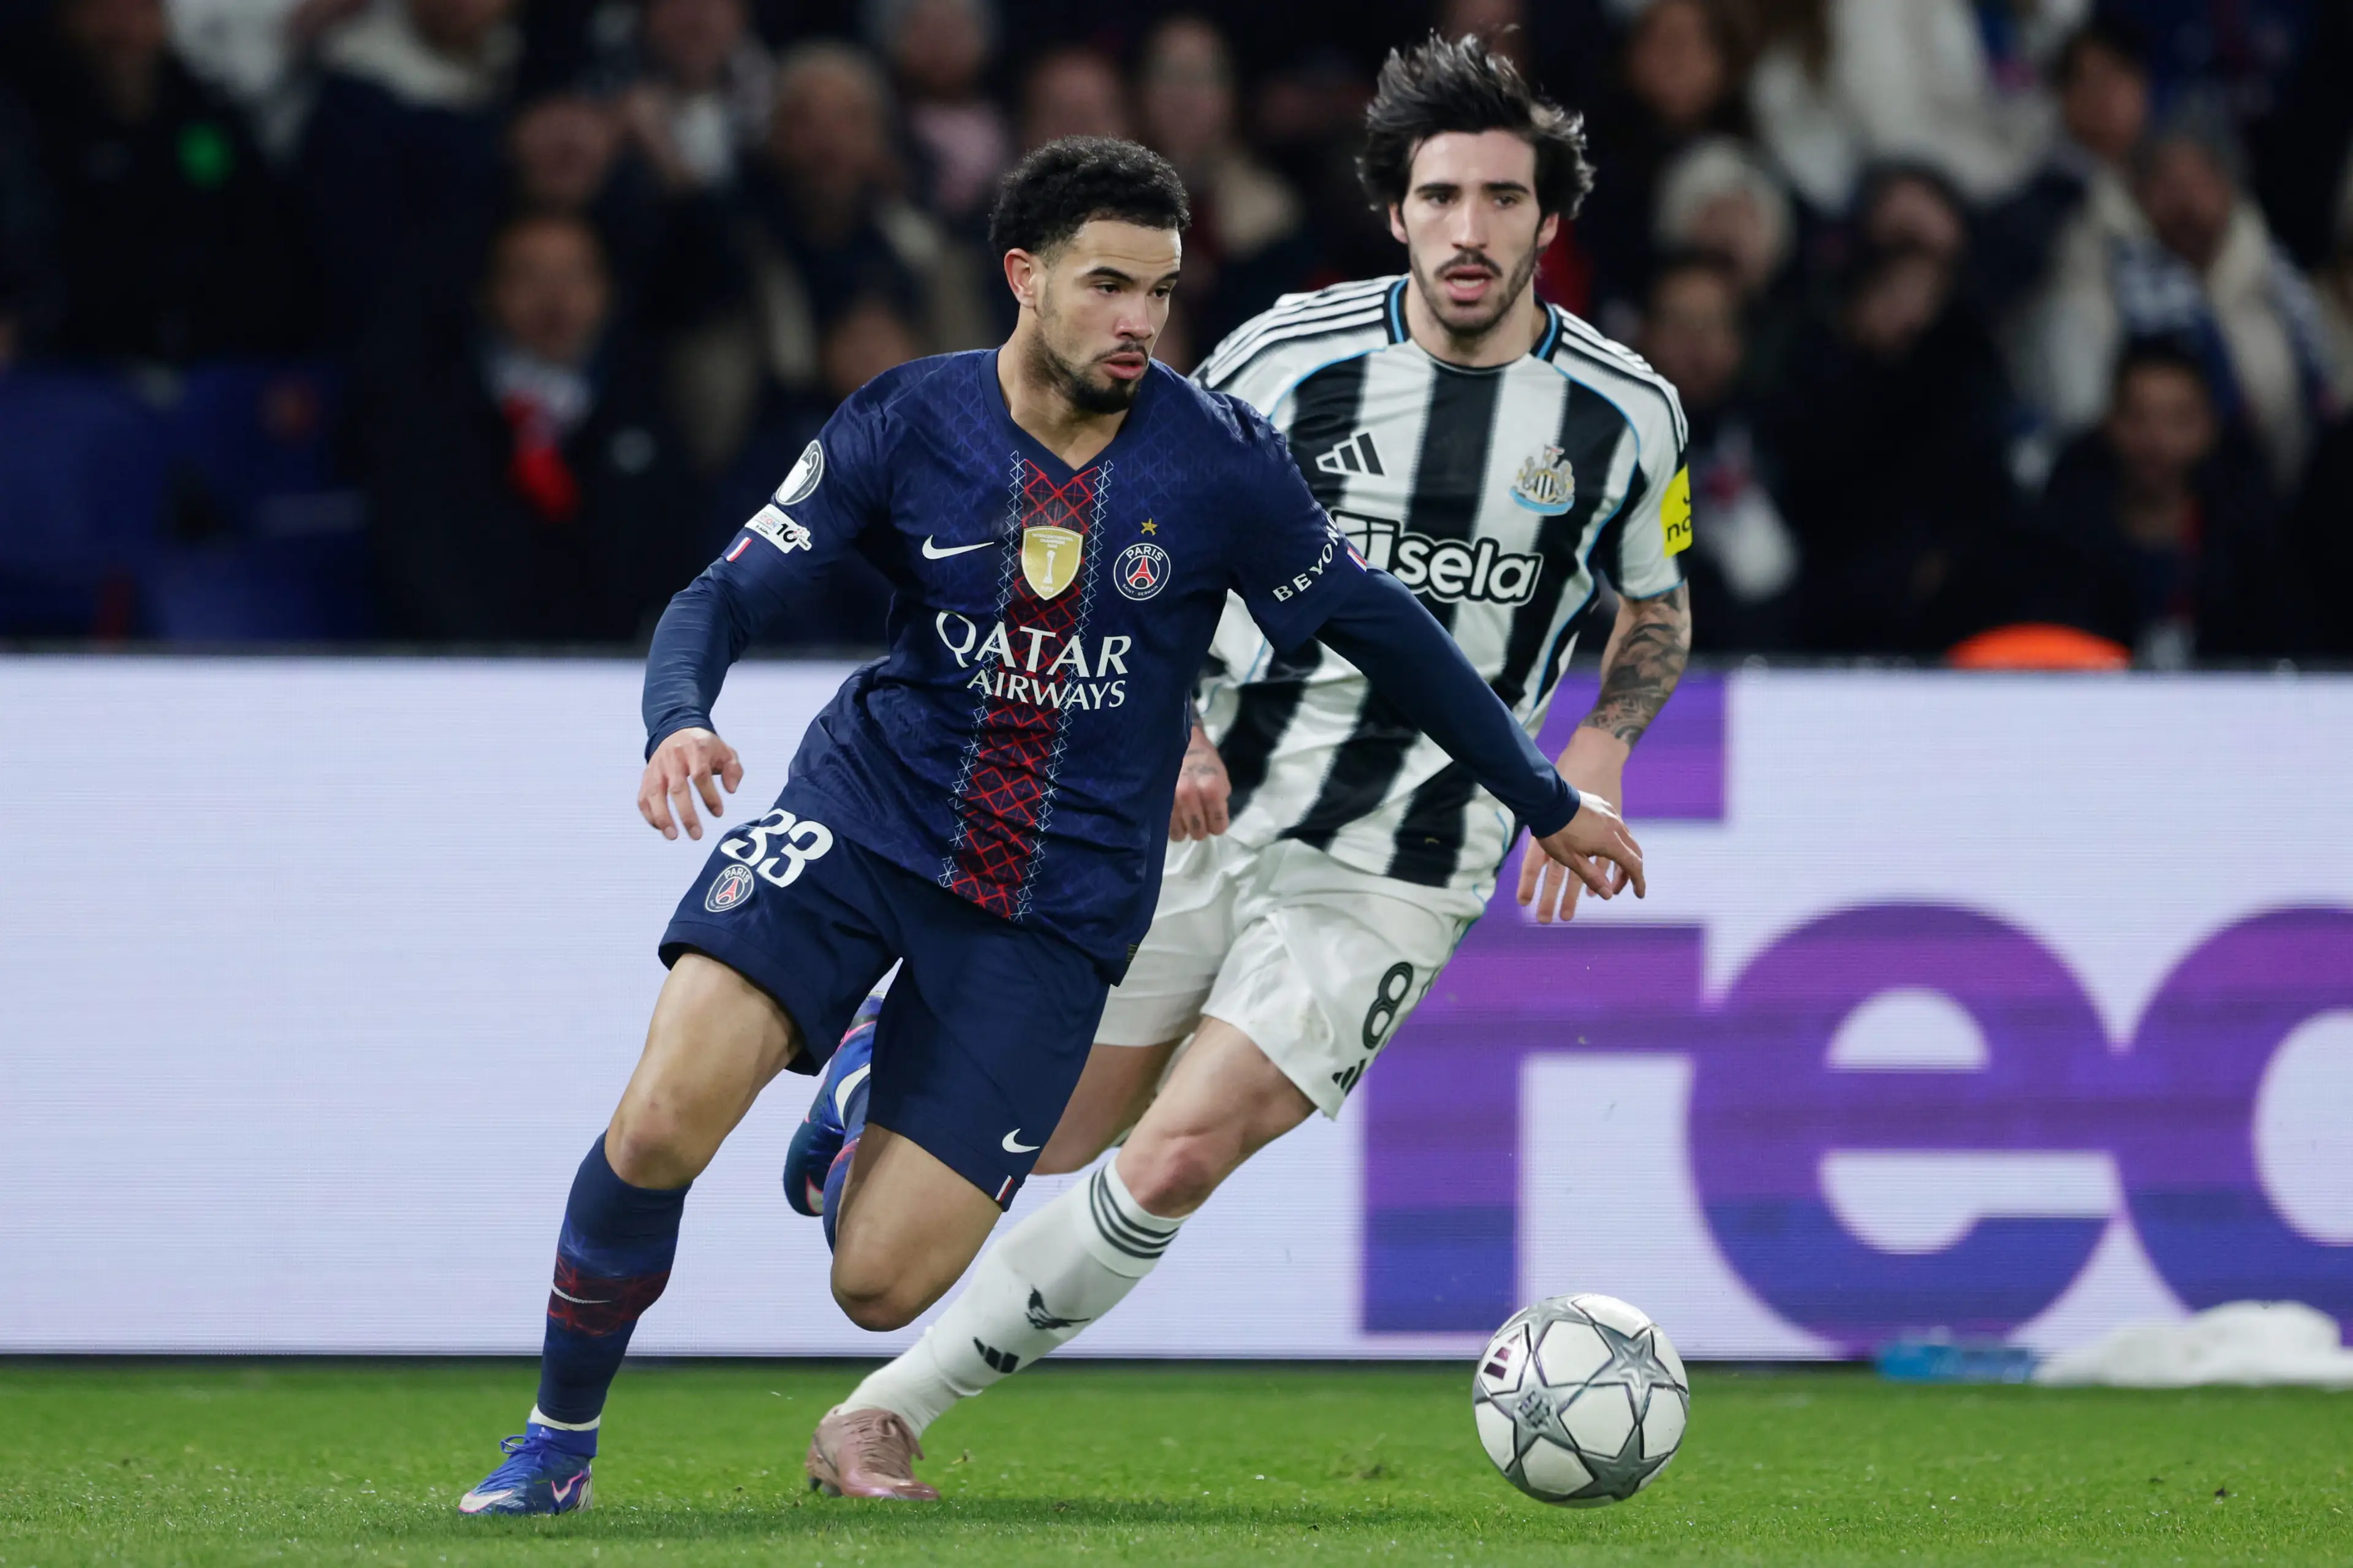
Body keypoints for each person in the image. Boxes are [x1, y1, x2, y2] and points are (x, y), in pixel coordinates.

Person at [454, 133, 1648, 1515]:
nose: (1140, 320)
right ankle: (555, 1440)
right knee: (662, 1122)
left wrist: (1547, 795)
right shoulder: (909, 417)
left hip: (1053, 910)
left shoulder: (1219, 461)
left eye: (1160, 290)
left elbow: (1386, 630)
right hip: (867, 819)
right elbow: (722, 593)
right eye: (1106, 287)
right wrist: (678, 716)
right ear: (1023, 277)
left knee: (877, 1283)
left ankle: (857, 1092)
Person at [792, 38, 1692, 1500]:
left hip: (1401, 861)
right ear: (1394, 211)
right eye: (1439, 196)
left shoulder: (1626, 412)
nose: (1471, 229)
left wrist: (1591, 755)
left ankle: (884, 1412)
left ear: (1549, 217)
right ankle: (865, 1079)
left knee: (1180, 1150)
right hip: (1205, 809)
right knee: (1062, 1126)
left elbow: (1651, 602)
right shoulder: (1290, 355)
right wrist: (1184, 723)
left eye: (1503, 199)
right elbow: (1140, 533)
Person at [355, 211, 705, 641]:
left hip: (616, 679)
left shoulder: (647, 411)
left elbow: (677, 556)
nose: (554, 298)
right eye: (528, 277)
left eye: (574, 276)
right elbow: (417, 562)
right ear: (487, 293)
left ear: (608, 292)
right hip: (464, 677)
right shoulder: (432, 419)